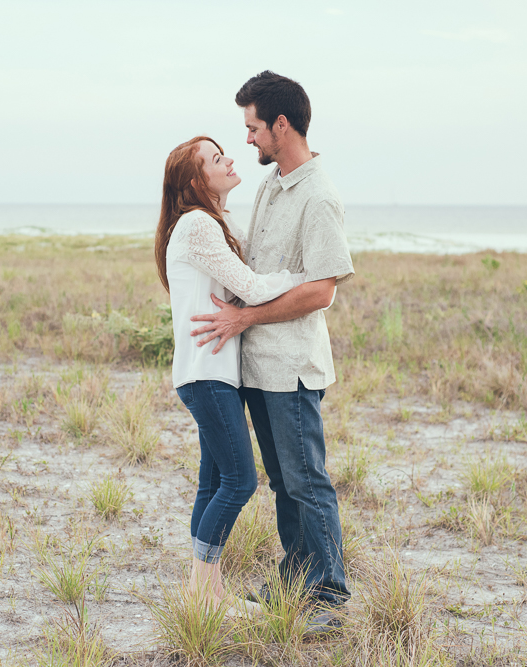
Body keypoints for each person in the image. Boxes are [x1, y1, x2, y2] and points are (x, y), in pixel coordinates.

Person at [189, 71, 355, 633]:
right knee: (285, 483)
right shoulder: (270, 186)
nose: (248, 139)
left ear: (281, 125)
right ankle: (297, 579)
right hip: (257, 366)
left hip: (292, 368)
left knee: (308, 482)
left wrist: (245, 317)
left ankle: (328, 597)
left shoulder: (318, 196)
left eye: (253, 127)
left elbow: (322, 289)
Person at [154, 135, 306, 612]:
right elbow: (252, 287)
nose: (231, 160)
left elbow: (237, 293)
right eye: (217, 160)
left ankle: (208, 593)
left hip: (210, 373)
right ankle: (202, 592)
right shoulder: (198, 224)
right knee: (239, 481)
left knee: (214, 481)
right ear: (197, 181)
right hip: (207, 374)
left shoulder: (211, 222)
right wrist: (306, 280)